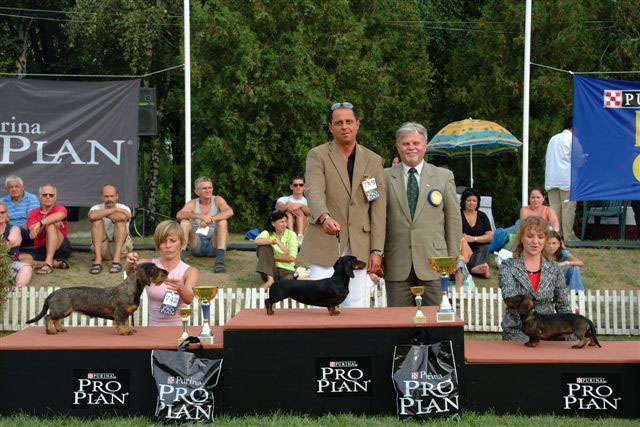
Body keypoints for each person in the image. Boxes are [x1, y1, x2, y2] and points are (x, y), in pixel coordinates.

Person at [298, 101, 386, 308]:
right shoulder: (317, 155)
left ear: (357, 124)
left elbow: (377, 206)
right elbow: (313, 191)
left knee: (355, 305)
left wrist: (377, 250)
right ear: (330, 127)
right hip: (325, 240)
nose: (344, 126)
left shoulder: (373, 160)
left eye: (348, 121)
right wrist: (324, 217)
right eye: (338, 123)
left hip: (359, 245)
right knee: (319, 306)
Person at [384, 122, 462, 306]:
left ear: (425, 146)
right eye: (406, 143)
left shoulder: (443, 176)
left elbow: (453, 219)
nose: (411, 147)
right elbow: (377, 220)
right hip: (396, 262)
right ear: (398, 147)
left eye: (416, 143)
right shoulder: (384, 176)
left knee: (436, 318)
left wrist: (452, 257)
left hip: (435, 262)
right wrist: (377, 254)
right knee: (398, 320)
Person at [499, 216, 571, 341]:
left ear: (545, 240)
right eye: (530, 236)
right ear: (521, 238)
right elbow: (511, 300)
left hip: (550, 332)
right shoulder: (507, 266)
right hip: (518, 332)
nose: (535, 241)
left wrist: (570, 334)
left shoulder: (555, 268)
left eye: (541, 237)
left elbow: (563, 306)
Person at [125, 220, 198, 326]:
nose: (168, 245)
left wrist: (180, 288)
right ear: (157, 244)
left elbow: (189, 299)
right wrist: (129, 263)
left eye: (173, 241)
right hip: (153, 329)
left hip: (180, 330)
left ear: (182, 243)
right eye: (163, 241)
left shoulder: (190, 271)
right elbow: (130, 274)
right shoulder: (147, 266)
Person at [177, 176, 234, 273]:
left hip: (214, 244)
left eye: (210, 188)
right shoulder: (192, 203)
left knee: (223, 222)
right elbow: (179, 214)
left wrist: (210, 219)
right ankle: (180, 261)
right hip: (196, 243)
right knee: (184, 222)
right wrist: (200, 216)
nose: (208, 190)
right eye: (204, 188)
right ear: (197, 191)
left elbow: (229, 212)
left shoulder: (217, 200)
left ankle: (219, 262)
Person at [19, 184, 72, 274]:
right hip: (41, 249)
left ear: (55, 197)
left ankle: (48, 264)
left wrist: (40, 223)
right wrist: (43, 224)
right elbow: (33, 235)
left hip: (60, 247)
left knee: (50, 225)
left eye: (51, 195)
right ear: (40, 196)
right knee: (17, 259)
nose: (48, 197)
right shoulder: (33, 213)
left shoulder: (60, 208)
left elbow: (61, 215)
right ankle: (51, 263)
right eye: (45, 195)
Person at [545, 116, 579, 241]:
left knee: (555, 211)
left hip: (551, 179)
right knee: (568, 210)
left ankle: (556, 238)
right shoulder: (573, 139)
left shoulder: (553, 139)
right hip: (567, 179)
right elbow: (579, 160)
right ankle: (568, 238)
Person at [88, 184, 133, 274]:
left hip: (121, 250)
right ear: (102, 197)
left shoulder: (124, 208)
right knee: (96, 221)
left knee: (120, 222)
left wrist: (101, 214)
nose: (109, 199)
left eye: (112, 196)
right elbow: (92, 216)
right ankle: (98, 260)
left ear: (117, 196)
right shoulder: (95, 207)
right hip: (102, 249)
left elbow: (122, 217)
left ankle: (116, 260)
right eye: (106, 196)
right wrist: (114, 210)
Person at [255, 210, 298, 288]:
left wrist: (271, 258)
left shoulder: (291, 234)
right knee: (263, 246)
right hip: (270, 270)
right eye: (281, 222)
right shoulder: (268, 233)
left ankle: (275, 283)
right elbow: (257, 241)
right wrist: (276, 241)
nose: (284, 224)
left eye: (285, 221)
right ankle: (270, 280)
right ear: (273, 223)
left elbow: (292, 258)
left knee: (285, 286)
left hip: (287, 270)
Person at [460, 188, 493, 279]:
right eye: (469, 200)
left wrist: (473, 239)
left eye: (474, 201)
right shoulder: (458, 215)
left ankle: (472, 268)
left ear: (478, 203)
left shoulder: (482, 216)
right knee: (463, 244)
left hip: (479, 247)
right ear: (464, 201)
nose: (471, 203)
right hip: (463, 246)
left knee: (484, 247)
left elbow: (489, 237)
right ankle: (479, 269)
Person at [1, 175, 40, 250]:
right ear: (7, 190)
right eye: (10, 187)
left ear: (22, 187)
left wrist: (15, 229)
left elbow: (32, 220)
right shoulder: (2, 201)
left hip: (26, 231)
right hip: (5, 230)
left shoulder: (31, 199)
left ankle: (5, 249)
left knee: (16, 230)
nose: (14, 189)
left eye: (16, 186)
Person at [0, 201, 32, 286]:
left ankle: (17, 291)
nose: (0, 215)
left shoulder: (14, 229)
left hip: (11, 265)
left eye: (2, 212)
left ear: (7, 214)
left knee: (26, 268)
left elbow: (10, 242)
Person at [275, 176, 310, 245]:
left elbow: (312, 212)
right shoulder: (284, 199)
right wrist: (287, 207)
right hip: (287, 225)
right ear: (291, 187)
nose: (298, 187)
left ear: (304, 187)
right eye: (295, 185)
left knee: (300, 213)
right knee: (288, 214)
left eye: (301, 185)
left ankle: (300, 236)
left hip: (303, 226)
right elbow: (277, 207)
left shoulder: (308, 201)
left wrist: (300, 206)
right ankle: (291, 236)